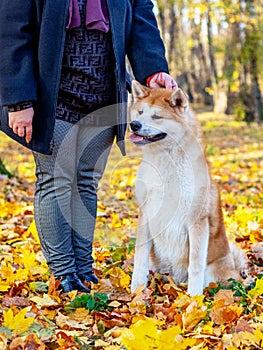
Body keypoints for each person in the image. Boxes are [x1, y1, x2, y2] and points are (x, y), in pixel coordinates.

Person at [0, 0, 177, 293]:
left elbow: (141, 17)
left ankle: (83, 268)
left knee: (85, 182)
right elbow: (11, 31)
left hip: (104, 93)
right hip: (52, 93)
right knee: (56, 180)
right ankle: (63, 273)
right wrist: (18, 99)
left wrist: (153, 70)